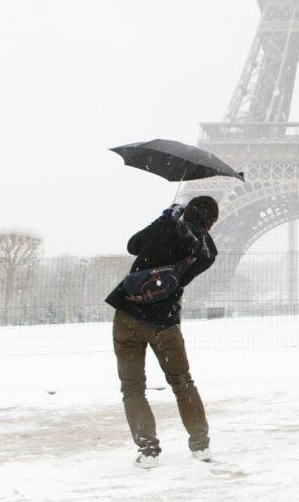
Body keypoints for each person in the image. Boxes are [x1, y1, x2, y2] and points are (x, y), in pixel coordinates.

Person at [105, 196, 220, 468]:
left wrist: (166, 217)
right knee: (182, 383)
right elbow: (189, 266)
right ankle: (200, 445)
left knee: (132, 389)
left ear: (187, 210)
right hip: (164, 323)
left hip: (128, 316)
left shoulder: (167, 226)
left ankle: (148, 451)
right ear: (212, 222)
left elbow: (133, 245)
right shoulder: (206, 252)